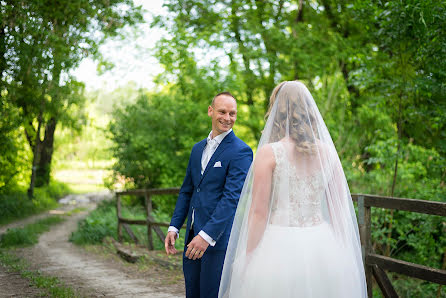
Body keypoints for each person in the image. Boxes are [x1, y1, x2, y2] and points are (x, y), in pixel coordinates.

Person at [218, 81, 367, 298]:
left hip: (278, 248)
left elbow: (259, 213)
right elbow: (339, 210)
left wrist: (248, 257)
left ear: (278, 111)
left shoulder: (269, 153)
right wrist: (344, 253)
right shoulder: (329, 153)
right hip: (322, 247)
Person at [165, 92, 253, 298]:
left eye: (233, 113)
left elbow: (232, 198)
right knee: (192, 293)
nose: (228, 118)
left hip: (218, 240)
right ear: (210, 111)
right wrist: (174, 226)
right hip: (191, 237)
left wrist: (206, 236)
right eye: (222, 111)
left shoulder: (242, 151)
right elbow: (187, 191)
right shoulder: (197, 149)